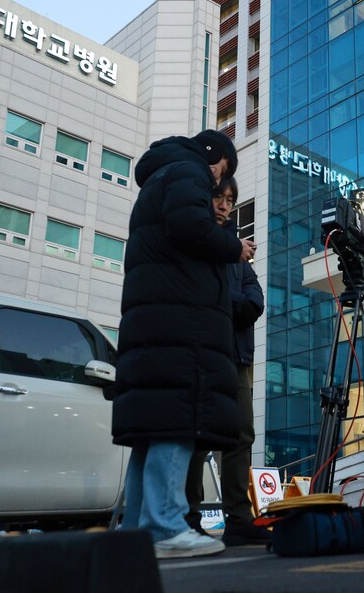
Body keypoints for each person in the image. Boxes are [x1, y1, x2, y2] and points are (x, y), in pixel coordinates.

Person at [111, 131, 257, 559]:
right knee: (177, 422)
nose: (218, 181)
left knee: (152, 431)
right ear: (212, 157)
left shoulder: (162, 175)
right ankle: (165, 526)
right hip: (180, 325)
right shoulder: (188, 170)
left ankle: (139, 532)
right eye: (223, 169)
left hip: (158, 321)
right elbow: (191, 227)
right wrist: (234, 248)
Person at [185, 176, 269, 546]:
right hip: (204, 355)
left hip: (238, 358)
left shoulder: (238, 253)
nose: (224, 205)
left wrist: (229, 301)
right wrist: (232, 302)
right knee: (198, 437)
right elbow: (205, 295)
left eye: (230, 200)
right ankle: (188, 517)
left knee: (240, 437)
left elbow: (256, 300)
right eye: (219, 197)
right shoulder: (202, 243)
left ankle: (238, 518)